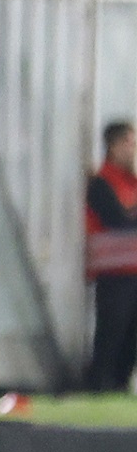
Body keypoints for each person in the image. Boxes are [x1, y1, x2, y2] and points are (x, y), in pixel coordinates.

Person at [86, 121, 137, 392]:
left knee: (131, 335)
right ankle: (100, 383)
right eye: (129, 143)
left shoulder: (131, 183)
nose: (133, 150)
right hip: (114, 273)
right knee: (111, 331)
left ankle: (120, 383)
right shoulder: (102, 183)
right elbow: (117, 219)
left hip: (133, 270)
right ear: (114, 146)